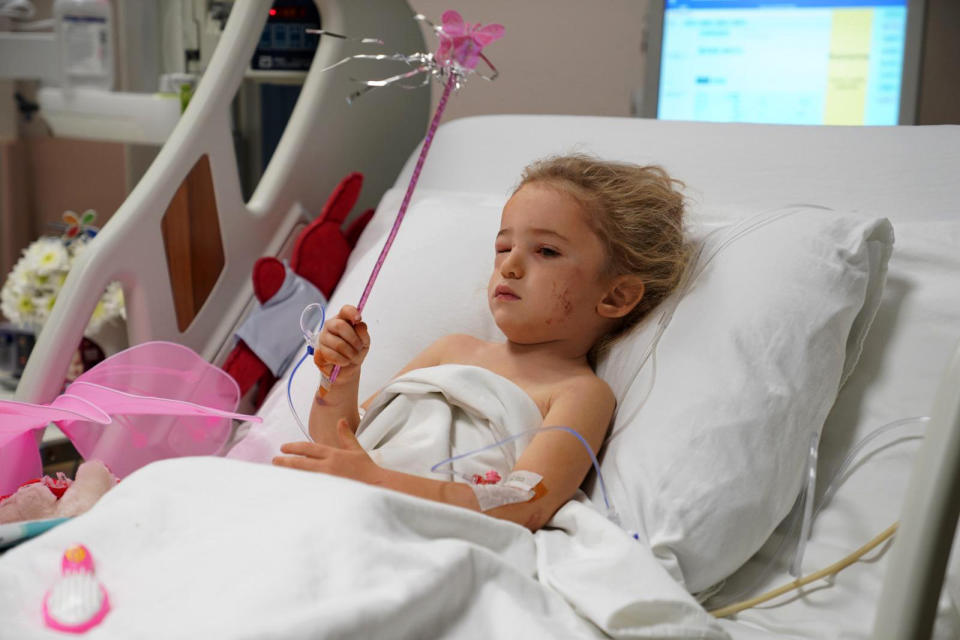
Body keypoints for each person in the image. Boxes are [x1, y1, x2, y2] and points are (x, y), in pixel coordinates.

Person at [272, 154, 687, 531]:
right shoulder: (450, 351)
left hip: (416, 527)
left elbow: (523, 503)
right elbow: (338, 445)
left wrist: (375, 482)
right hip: (338, 502)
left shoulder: (579, 393)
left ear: (615, 296)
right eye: (503, 246)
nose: (510, 265)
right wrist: (340, 378)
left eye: (545, 251)